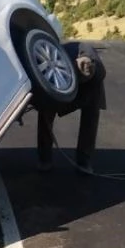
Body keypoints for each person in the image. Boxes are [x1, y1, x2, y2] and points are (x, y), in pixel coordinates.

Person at [36, 42, 106, 176]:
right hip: (60, 80)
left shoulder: (97, 70)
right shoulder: (59, 58)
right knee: (45, 112)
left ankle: (84, 161)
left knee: (90, 120)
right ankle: (44, 158)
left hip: (90, 88)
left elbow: (97, 76)